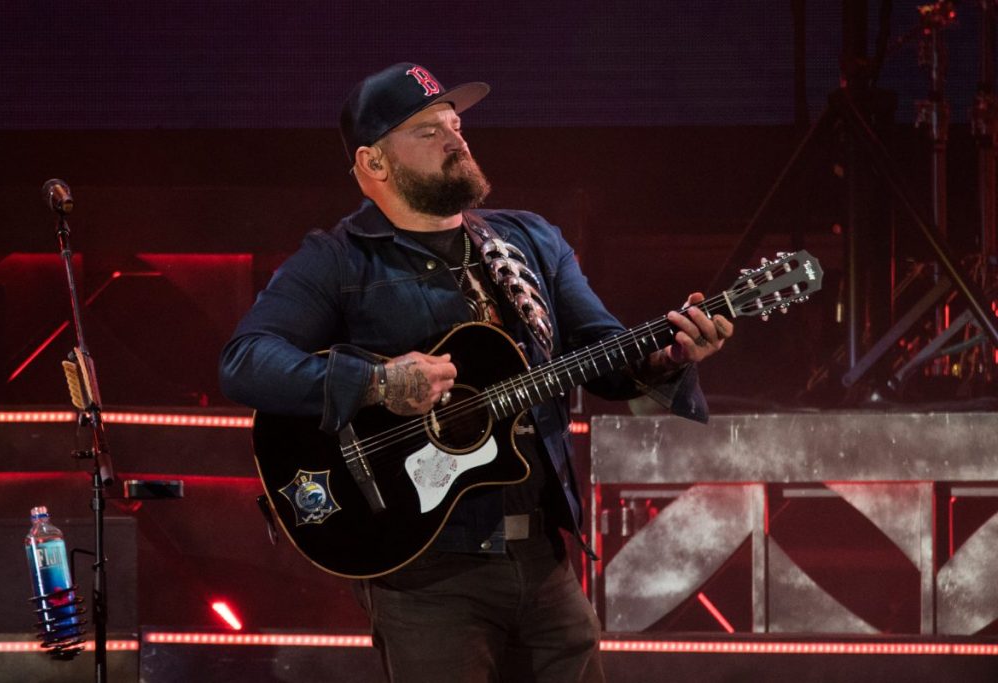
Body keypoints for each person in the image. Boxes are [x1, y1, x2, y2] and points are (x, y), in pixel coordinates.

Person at [219, 62, 733, 683]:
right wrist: (378, 383)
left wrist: (666, 357)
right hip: (425, 574)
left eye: (455, 123)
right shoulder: (337, 260)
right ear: (375, 163)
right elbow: (246, 361)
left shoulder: (531, 242)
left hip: (543, 557)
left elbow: (603, 352)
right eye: (428, 131)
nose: (456, 138)